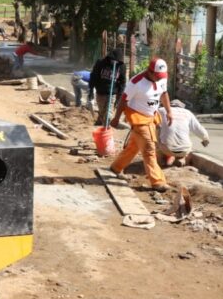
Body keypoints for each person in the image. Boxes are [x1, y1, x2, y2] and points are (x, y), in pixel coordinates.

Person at [109, 58, 173, 192]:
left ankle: (116, 167)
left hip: (151, 118)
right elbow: (123, 100)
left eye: (161, 76)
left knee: (133, 146)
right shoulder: (136, 82)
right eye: (157, 76)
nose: (159, 79)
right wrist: (116, 118)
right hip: (138, 118)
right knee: (149, 148)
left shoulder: (161, 79)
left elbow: (164, 94)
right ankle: (157, 182)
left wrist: (169, 111)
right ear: (150, 71)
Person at [158, 100, 210, 167]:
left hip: (166, 149)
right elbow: (198, 129)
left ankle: (162, 159)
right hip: (184, 150)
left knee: (157, 131)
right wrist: (205, 139)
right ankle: (182, 159)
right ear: (182, 107)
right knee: (186, 142)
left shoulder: (161, 110)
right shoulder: (188, 113)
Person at [89, 49, 126, 125]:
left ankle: (106, 127)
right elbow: (93, 76)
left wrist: (119, 97)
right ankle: (100, 119)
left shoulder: (121, 66)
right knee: (102, 110)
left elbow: (122, 82)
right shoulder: (101, 63)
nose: (115, 62)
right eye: (113, 60)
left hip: (112, 93)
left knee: (108, 114)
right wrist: (91, 90)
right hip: (101, 91)